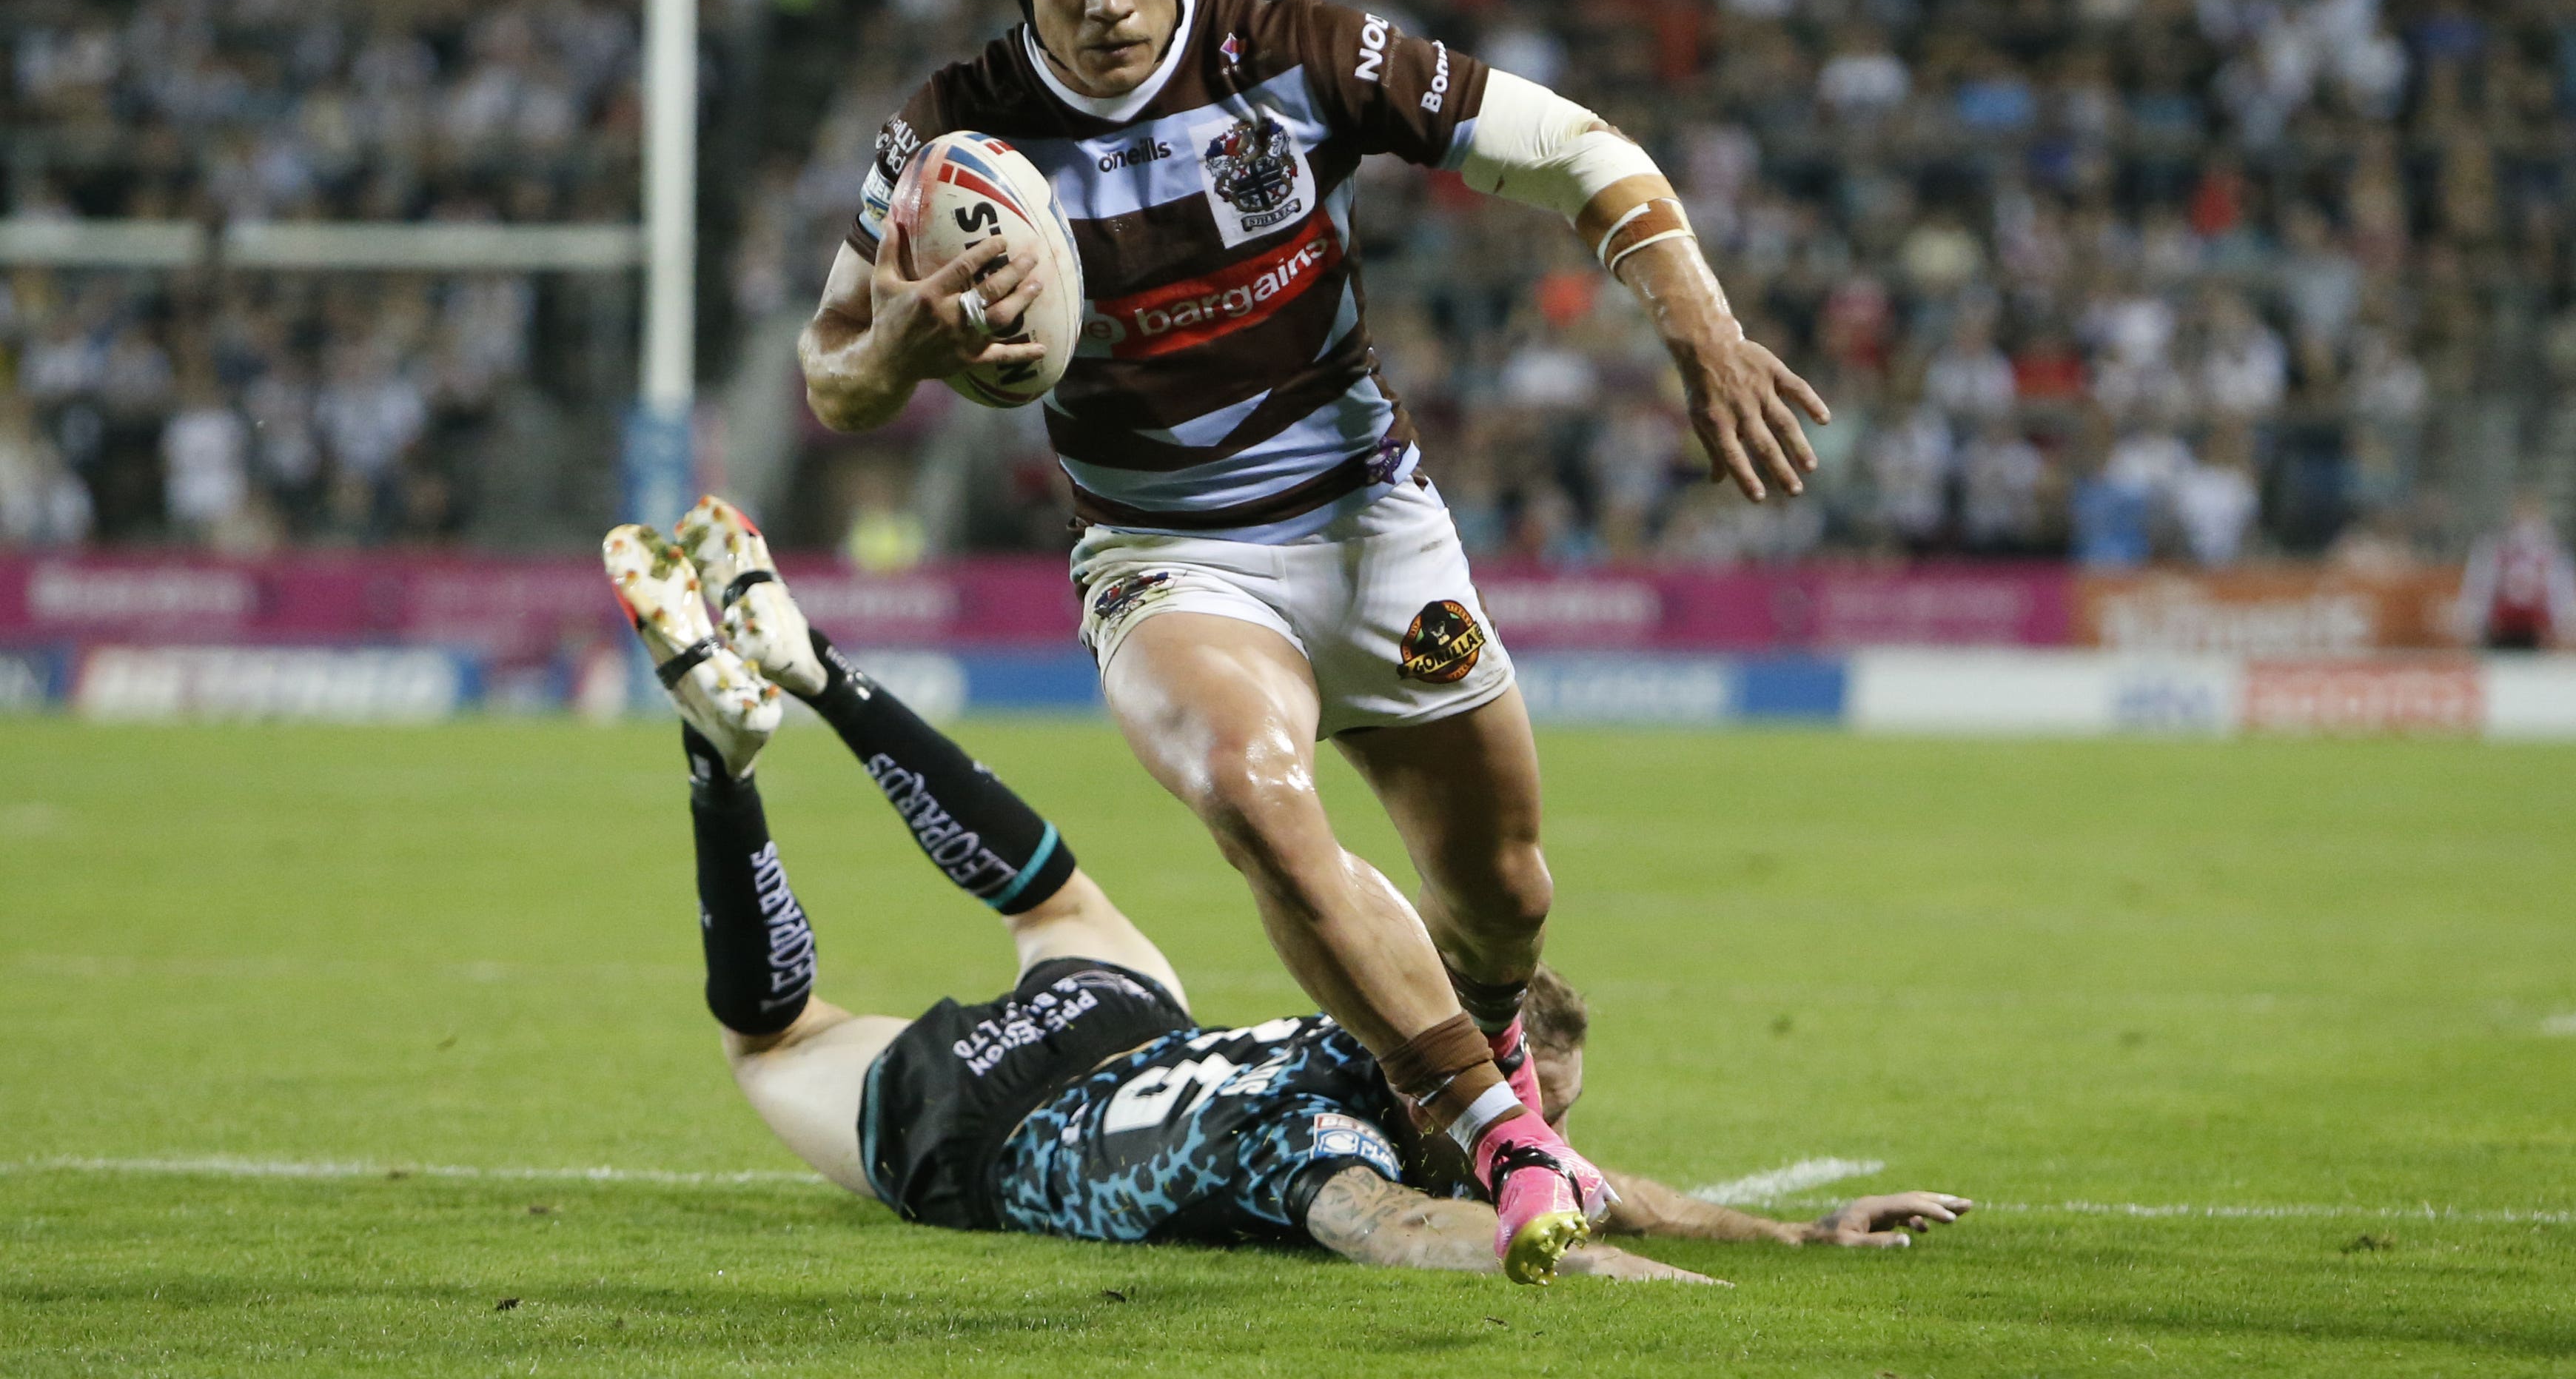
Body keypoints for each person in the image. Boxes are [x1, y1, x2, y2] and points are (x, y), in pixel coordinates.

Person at [796, 0, 1832, 1278]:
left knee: (1508, 892)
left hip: (1367, 527)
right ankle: (1505, 1136)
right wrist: (896, 339)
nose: (1108, 3)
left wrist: (1701, 330)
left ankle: (1473, 1068)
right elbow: (831, 374)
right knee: (1250, 782)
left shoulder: (1297, 56)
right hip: (1164, 552)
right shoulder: (948, 140)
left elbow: (1576, 151)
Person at [603, 497, 1970, 1281]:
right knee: (772, 1038)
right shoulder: (1320, 1160)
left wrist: (1797, 1233)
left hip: (1123, 1033)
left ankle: (822, 674)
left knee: (1057, 905)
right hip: (979, 1127)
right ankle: (722, 762)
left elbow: (1596, 1187)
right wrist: (1656, 1287)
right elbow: (1440, 1232)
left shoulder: (1374, 1029)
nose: (1542, 1160)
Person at [2458, 491, 2576, 650]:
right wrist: (2471, 620)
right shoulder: (2492, 547)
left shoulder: (2554, 550)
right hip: (2500, 629)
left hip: (2539, 631)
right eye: (2521, 514)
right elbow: (2479, 588)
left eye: (2531, 514)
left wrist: (2566, 626)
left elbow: (2562, 592)